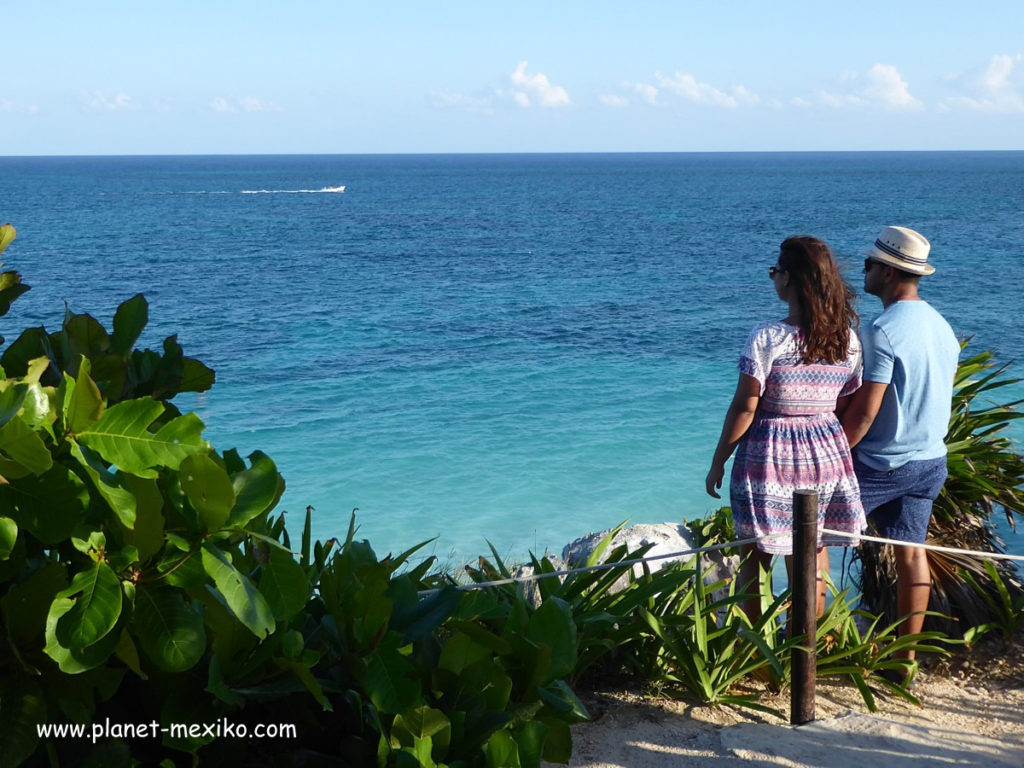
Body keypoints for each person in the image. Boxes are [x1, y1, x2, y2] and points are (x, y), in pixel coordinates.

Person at [706, 235, 865, 620]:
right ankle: (810, 645)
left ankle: (755, 653)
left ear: (790, 279)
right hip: (826, 451)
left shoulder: (768, 338)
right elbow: (844, 400)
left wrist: (718, 460)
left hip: (770, 454)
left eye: (775, 271)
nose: (772, 277)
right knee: (812, 553)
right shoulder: (847, 340)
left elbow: (746, 406)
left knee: (755, 555)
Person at [841, 225, 959, 674]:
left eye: (870, 264)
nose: (864, 271)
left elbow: (866, 412)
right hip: (930, 460)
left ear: (888, 272)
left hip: (879, 464)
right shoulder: (940, 325)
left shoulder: (880, 330)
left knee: (809, 539)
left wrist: (831, 456)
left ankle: (809, 650)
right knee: (912, 554)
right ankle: (904, 659)